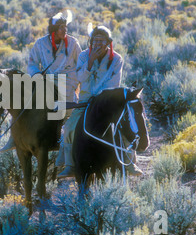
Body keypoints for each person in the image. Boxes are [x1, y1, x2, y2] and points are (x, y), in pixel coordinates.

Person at [56, 24, 143, 178]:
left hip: (107, 103)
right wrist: (90, 62)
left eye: (101, 41)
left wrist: (99, 98)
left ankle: (130, 162)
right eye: (94, 40)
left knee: (124, 127)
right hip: (85, 102)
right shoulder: (84, 56)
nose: (97, 44)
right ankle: (70, 165)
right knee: (69, 128)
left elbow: (113, 84)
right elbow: (80, 78)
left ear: (108, 43)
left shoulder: (116, 59)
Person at [0, 10, 82, 153]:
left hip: (67, 82)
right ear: (54, 30)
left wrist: (75, 79)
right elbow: (32, 63)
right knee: (23, 99)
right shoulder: (40, 43)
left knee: (60, 108)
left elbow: (80, 63)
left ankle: (60, 139)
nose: (65, 30)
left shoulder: (73, 43)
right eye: (61, 27)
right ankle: (14, 137)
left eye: (65, 27)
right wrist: (36, 74)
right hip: (45, 80)